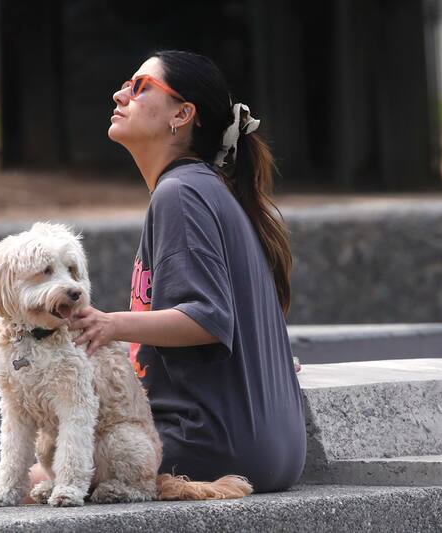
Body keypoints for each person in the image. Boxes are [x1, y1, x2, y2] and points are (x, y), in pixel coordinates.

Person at [26, 50, 306, 496]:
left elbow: (207, 319)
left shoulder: (181, 194)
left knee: (43, 476)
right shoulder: (205, 188)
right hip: (270, 453)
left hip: (214, 446)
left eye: (140, 87)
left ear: (182, 114)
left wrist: (108, 324)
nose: (120, 94)